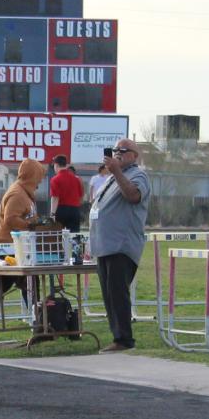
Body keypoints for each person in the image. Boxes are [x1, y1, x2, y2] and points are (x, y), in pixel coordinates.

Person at [89, 138, 150, 351]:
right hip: (104, 245)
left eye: (122, 150)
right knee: (109, 295)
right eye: (115, 150)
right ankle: (117, 337)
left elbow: (133, 196)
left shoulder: (138, 174)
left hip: (121, 245)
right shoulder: (110, 178)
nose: (117, 153)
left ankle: (124, 340)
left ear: (134, 155)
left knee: (117, 294)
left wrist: (116, 172)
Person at [0, 157, 45, 327]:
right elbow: (11, 219)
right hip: (9, 245)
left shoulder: (24, 192)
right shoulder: (17, 193)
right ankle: (37, 319)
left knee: (28, 282)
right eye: (39, 175)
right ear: (32, 175)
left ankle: (37, 319)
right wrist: (31, 225)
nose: (41, 179)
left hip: (17, 244)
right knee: (6, 284)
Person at [47, 155, 83, 233]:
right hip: (75, 210)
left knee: (58, 237)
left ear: (56, 165)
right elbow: (80, 196)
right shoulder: (76, 179)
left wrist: (52, 214)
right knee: (74, 237)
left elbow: (55, 198)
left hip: (61, 210)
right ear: (65, 165)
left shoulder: (55, 179)